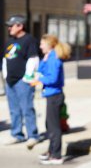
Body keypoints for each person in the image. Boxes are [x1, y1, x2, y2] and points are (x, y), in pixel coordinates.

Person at [31, 34, 71, 165]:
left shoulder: (54, 59)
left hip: (54, 95)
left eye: (42, 44)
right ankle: (51, 151)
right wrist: (44, 60)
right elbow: (41, 70)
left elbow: (52, 79)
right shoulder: (50, 57)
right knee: (50, 125)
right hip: (51, 95)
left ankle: (56, 155)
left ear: (50, 45)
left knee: (54, 127)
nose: (40, 46)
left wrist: (38, 80)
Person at [2, 14, 40, 149]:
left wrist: (27, 78)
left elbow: (33, 59)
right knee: (14, 110)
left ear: (20, 26)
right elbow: (5, 59)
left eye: (12, 26)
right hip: (10, 81)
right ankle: (17, 134)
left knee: (27, 109)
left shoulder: (29, 40)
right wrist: (6, 77)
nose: (9, 28)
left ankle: (33, 136)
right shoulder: (9, 41)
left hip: (22, 81)